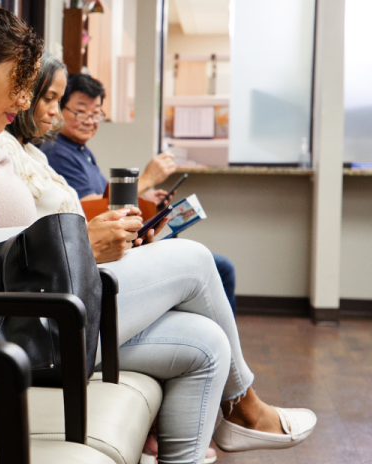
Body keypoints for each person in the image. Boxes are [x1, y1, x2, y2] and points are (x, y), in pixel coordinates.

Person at [0, 4, 315, 464]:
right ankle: (244, 403)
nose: (23, 100)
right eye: (17, 83)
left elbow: (3, 251)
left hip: (29, 317)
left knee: (206, 345)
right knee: (198, 263)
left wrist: (85, 241)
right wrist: (82, 243)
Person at [41, 73, 238, 312]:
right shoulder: (57, 152)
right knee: (221, 268)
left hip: (119, 248)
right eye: (81, 111)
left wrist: (144, 200)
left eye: (96, 113)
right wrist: (146, 180)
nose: (90, 120)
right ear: (60, 108)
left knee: (211, 263)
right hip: (101, 258)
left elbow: (106, 201)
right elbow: (88, 209)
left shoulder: (82, 151)